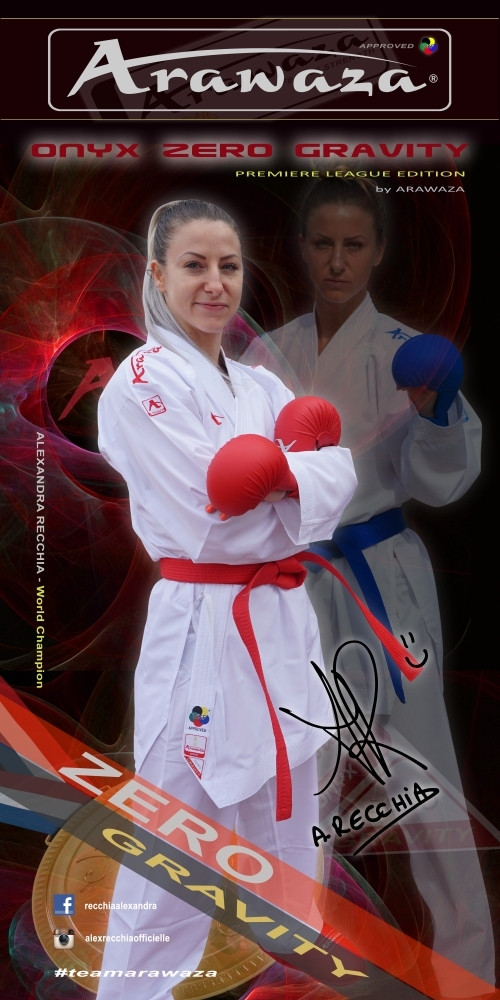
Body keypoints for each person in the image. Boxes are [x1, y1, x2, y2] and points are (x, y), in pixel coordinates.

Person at [94, 198, 366, 1000]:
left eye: (229, 266)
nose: (215, 283)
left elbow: (338, 475)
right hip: (203, 626)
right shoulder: (140, 384)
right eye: (194, 265)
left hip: (279, 623)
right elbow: (209, 524)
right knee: (175, 834)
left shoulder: (257, 384)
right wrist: (293, 484)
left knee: (290, 819)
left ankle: (290, 981)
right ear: (156, 275)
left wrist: (276, 479)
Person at [240, 176, 496, 992]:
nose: (337, 260)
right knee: (301, 781)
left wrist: (437, 411)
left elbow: (438, 482)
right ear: (301, 248)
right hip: (294, 580)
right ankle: (296, 968)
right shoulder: (265, 354)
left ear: (378, 250)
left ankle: (468, 971)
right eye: (323, 243)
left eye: (354, 244)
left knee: (423, 778)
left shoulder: (406, 351)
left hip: (380, 577)